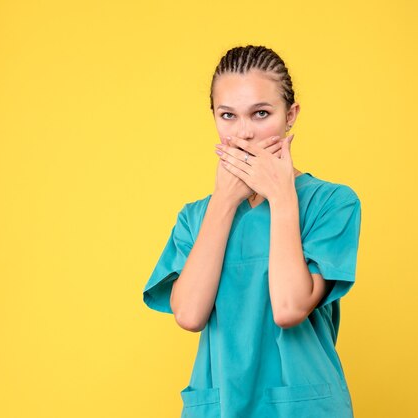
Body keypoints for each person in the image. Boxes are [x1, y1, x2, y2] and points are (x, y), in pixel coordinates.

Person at [142, 45, 362, 418]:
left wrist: (282, 197)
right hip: (218, 406)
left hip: (304, 407)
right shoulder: (195, 217)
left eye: (261, 114)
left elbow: (290, 307)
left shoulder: (331, 203)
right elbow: (190, 316)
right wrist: (224, 203)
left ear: (290, 116)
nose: (244, 133)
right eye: (228, 116)